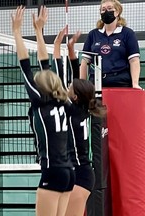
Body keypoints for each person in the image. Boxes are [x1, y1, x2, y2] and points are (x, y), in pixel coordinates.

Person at [12, 6, 75, 216]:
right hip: (68, 171)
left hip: (53, 170)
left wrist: (17, 32)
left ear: (39, 87)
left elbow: (25, 65)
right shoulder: (63, 100)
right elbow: (45, 66)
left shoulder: (40, 100)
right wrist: (39, 31)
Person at [54, 27, 107, 216]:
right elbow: (76, 78)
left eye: (71, 87)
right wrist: (70, 49)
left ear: (75, 97)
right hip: (76, 172)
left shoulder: (72, 110)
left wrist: (56, 46)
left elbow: (59, 79)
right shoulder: (80, 107)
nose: (69, 86)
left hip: (81, 174)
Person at [80, 0, 141, 88]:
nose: (106, 12)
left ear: (117, 12)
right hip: (96, 83)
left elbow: (134, 60)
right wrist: (82, 84)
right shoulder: (93, 34)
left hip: (120, 82)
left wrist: (135, 83)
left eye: (109, 8)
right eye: (103, 9)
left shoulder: (128, 33)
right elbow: (85, 61)